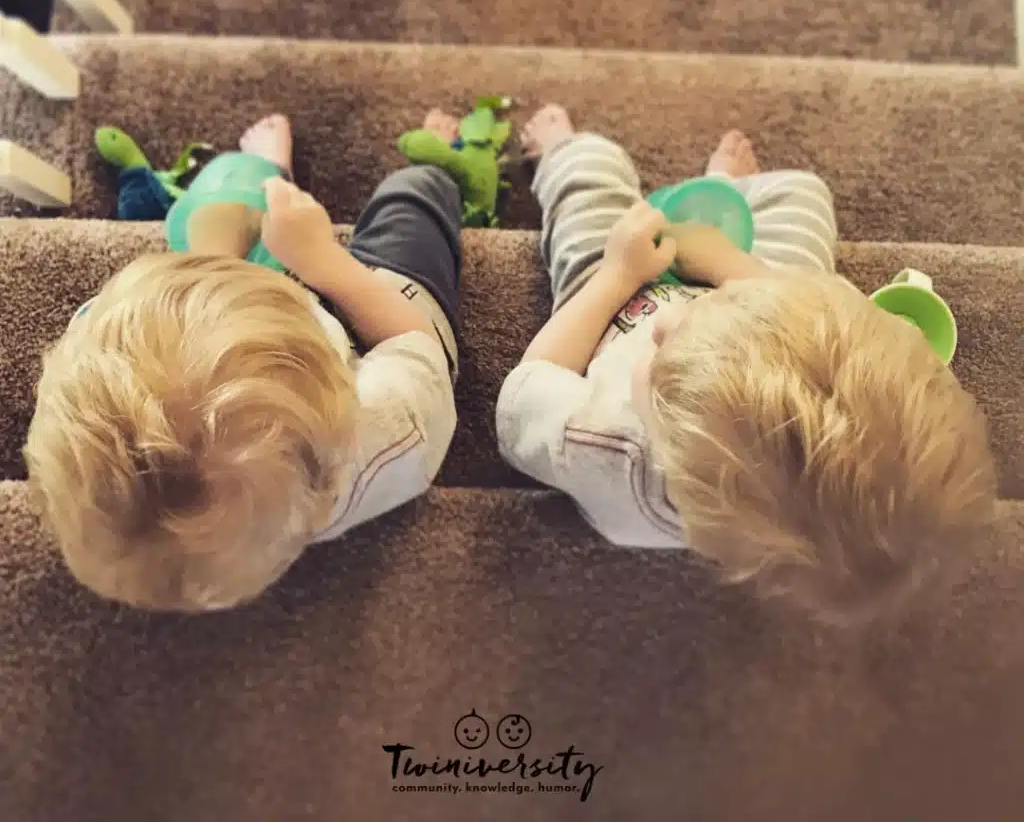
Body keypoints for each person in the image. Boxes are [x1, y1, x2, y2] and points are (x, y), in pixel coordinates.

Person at [496, 105, 997, 628]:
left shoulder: (603, 447)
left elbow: (525, 393)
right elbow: (792, 295)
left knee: (590, 197)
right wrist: (725, 262)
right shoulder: (808, 329)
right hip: (762, 319)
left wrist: (617, 274)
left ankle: (563, 154)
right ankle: (721, 203)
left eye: (664, 350)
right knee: (803, 194)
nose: (673, 318)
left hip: (612, 314)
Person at [25, 111, 464, 612]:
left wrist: (217, 261)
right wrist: (326, 264)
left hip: (283, 346)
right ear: (319, 491)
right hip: (381, 317)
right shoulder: (388, 438)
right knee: (411, 206)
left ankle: (263, 190)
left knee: (203, 296)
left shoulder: (88, 363)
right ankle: (437, 172)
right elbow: (418, 345)